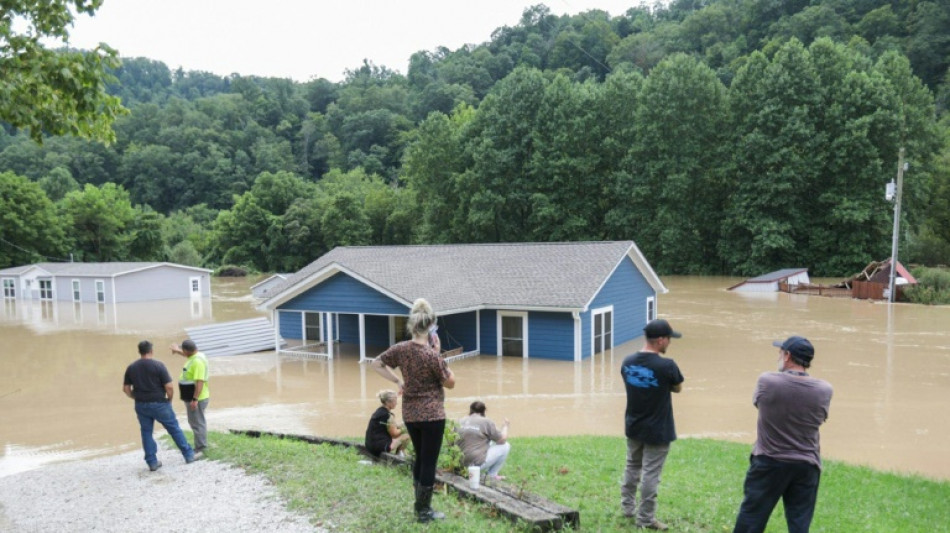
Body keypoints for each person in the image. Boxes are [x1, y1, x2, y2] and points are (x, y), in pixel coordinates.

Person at [733, 336, 834, 533]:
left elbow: (759, 405)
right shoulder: (824, 389)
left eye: (780, 352)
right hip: (806, 465)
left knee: (751, 518)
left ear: (787, 356)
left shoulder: (767, 381)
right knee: (799, 524)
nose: (778, 356)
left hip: (769, 462)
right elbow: (821, 418)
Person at [371, 298, 456, 523]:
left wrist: (398, 381)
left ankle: (419, 506)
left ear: (413, 324)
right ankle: (423, 511)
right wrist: (438, 353)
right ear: (431, 327)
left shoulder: (401, 349)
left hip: (410, 413)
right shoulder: (431, 355)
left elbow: (376, 363)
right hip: (432, 415)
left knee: (420, 458)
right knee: (429, 461)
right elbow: (450, 382)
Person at [620, 319, 685, 531]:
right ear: (660, 340)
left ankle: (627, 508)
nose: (670, 344)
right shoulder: (667, 365)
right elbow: (677, 387)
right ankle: (645, 519)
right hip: (658, 429)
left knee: (632, 466)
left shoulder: (627, 362)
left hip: (634, 424)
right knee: (650, 474)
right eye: (669, 339)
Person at [122, 340, 195, 471]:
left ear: (140, 352)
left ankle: (152, 462)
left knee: (146, 432)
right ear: (151, 351)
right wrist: (169, 399)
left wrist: (135, 397)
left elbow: (126, 389)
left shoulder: (132, 367)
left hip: (141, 405)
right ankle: (188, 455)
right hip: (160, 404)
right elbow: (169, 387)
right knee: (174, 428)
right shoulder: (159, 365)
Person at [171, 339, 210, 453]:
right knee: (195, 421)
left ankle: (201, 447)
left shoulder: (197, 362)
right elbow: (188, 355)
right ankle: (200, 445)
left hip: (197, 398)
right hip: (192, 396)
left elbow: (199, 381)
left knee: (197, 423)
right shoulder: (197, 355)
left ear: (187, 351)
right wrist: (177, 351)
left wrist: (195, 399)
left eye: (182, 350)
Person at [457, 400, 510, 482]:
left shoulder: (460, 421)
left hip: (458, 463)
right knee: (505, 446)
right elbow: (502, 440)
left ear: (470, 410)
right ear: (484, 411)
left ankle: (462, 467)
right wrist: (505, 426)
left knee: (489, 441)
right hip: (474, 465)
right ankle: (492, 475)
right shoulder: (486, 421)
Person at [365, 389, 410, 457]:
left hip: (370, 446)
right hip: (379, 447)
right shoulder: (388, 415)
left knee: (403, 429)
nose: (396, 403)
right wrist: (405, 429)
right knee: (407, 434)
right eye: (395, 401)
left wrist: (404, 423)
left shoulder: (379, 411)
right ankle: (400, 454)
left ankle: (401, 452)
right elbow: (394, 434)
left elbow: (393, 426)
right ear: (388, 402)